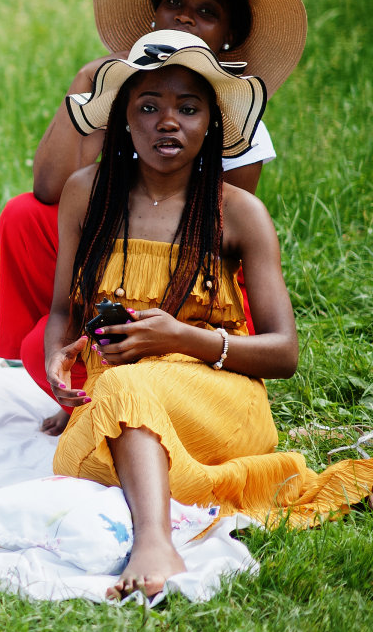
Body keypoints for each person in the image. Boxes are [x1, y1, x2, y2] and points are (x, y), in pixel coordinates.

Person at [42, 31, 373, 600]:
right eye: (148, 107)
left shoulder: (238, 212)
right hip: (118, 399)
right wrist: (57, 356)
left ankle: (154, 542)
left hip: (218, 392)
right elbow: (59, 314)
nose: (167, 123)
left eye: (188, 109)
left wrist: (182, 337)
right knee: (105, 416)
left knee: (124, 387)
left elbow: (283, 352)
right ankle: (169, 485)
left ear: (210, 124)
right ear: (123, 118)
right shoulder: (85, 193)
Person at [0, 0, 308, 432]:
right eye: (175, 3)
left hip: (196, 283)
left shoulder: (233, 121)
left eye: (208, 12)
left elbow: (208, 228)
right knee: (22, 215)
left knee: (143, 368)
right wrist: (90, 79)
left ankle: (121, 369)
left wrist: (170, 334)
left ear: (230, 37)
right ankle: (79, 357)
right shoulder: (126, 91)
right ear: (154, 14)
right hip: (118, 249)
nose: (185, 17)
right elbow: (50, 186)